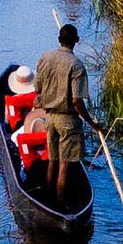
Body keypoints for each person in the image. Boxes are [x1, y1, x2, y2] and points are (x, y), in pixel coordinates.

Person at [30, 23, 96, 193]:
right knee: (64, 166)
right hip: (67, 121)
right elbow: (76, 101)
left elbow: (37, 89)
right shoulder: (77, 65)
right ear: (77, 41)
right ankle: (60, 204)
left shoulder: (45, 57)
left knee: (53, 160)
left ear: (59, 39)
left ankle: (48, 196)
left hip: (49, 118)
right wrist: (91, 123)